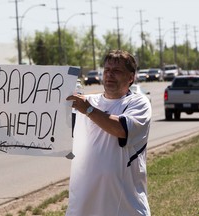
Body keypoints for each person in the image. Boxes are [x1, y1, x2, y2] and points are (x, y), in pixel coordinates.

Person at [65, 50, 152, 216]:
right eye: (107, 70)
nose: (110, 75)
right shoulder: (86, 102)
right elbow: (49, 125)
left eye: (117, 71)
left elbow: (121, 129)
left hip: (125, 209)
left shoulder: (138, 103)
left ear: (131, 77)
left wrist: (88, 110)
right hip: (82, 208)